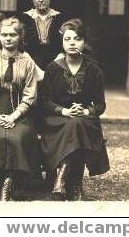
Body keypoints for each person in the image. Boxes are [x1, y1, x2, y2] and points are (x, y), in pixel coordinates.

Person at [39, 18, 110, 201]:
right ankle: (75, 185)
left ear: (84, 42)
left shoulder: (94, 70)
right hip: (57, 119)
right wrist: (64, 111)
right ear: (62, 43)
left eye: (77, 39)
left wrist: (86, 111)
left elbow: (100, 105)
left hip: (84, 119)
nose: (72, 43)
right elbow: (44, 101)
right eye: (67, 39)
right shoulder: (53, 68)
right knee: (74, 126)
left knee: (77, 124)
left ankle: (62, 176)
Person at [0, 17, 41, 201]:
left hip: (19, 109)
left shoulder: (28, 62)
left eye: (13, 34)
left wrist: (14, 116)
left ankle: (9, 182)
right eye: (4, 34)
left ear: (20, 37)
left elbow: (30, 95)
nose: (8, 38)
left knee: (18, 136)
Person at [19, 0, 65, 74]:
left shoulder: (60, 17)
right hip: (30, 62)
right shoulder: (24, 18)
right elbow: (21, 47)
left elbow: (63, 45)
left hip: (56, 62)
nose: (40, 0)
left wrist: (56, 64)